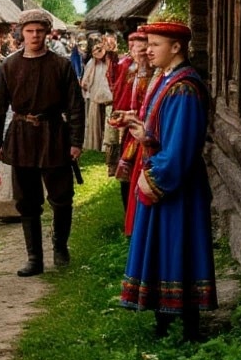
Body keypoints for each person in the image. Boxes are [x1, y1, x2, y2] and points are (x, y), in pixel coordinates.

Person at [113, 19, 216, 340]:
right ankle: (164, 317)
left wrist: (153, 178)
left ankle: (185, 324)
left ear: (176, 47)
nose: (148, 49)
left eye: (155, 44)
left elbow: (181, 147)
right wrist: (144, 130)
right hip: (161, 172)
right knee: (163, 247)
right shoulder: (168, 78)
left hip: (175, 185)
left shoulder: (185, 87)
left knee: (178, 246)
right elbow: (164, 133)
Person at [0, 8, 85, 276]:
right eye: (30, 31)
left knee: (62, 197)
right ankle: (34, 258)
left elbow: (76, 106)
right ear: (22, 32)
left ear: (48, 33)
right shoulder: (9, 66)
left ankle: (60, 246)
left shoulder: (61, 66)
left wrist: (76, 141)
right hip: (22, 136)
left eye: (40, 31)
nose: (35, 35)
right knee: (27, 201)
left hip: (54, 134)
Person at [110, 29, 152, 216]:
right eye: (134, 48)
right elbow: (118, 91)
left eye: (142, 50)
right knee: (127, 177)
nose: (137, 53)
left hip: (148, 131)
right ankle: (130, 216)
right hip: (130, 132)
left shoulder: (156, 73)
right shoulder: (128, 68)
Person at [80, 39, 114, 153]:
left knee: (106, 122)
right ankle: (96, 145)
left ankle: (105, 146)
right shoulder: (92, 64)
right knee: (95, 122)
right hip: (95, 97)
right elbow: (85, 82)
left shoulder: (110, 64)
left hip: (109, 98)